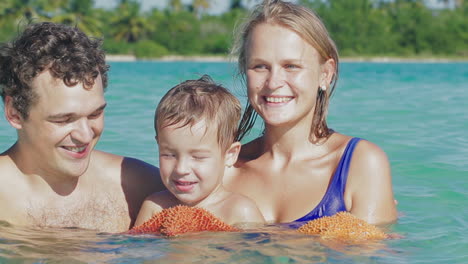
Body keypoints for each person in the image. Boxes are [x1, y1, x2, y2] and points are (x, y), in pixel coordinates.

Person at [224, 0, 397, 226]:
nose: (274, 82)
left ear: (325, 74)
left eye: (291, 66)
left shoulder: (360, 164)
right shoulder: (225, 168)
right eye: (260, 66)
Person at [0, 22, 164, 232]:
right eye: (64, 120)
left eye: (95, 114)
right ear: (14, 113)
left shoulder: (138, 186)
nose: (85, 135)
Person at [135, 75, 265, 227]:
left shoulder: (239, 211)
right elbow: (138, 248)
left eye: (198, 157)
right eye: (169, 154)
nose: (181, 169)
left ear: (230, 155)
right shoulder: (154, 207)